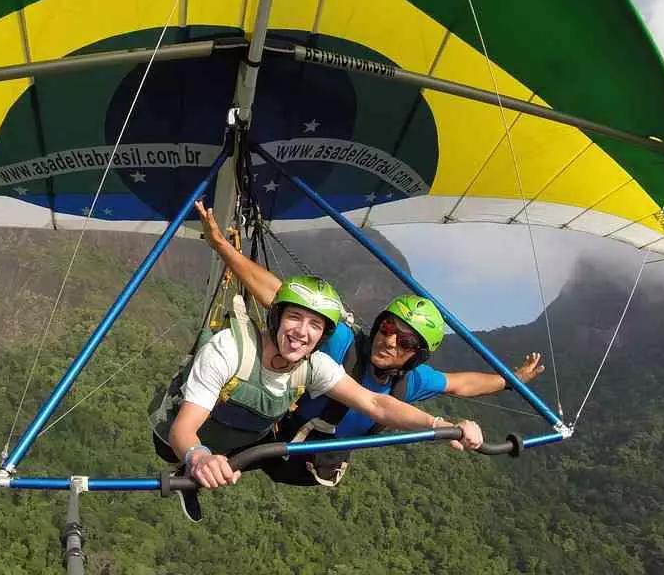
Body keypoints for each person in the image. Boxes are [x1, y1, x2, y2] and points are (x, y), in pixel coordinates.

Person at [195, 201, 544, 487]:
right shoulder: (344, 345)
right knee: (212, 463)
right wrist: (223, 247)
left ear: (417, 354)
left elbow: (462, 384)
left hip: (312, 469)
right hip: (271, 442)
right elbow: (282, 296)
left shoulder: (414, 380)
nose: (389, 340)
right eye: (388, 327)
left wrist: (512, 380)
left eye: (405, 340)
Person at [149, 272, 484, 492]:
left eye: (315, 325)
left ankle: (206, 470)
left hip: (244, 442)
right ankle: (195, 470)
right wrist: (199, 458)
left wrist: (442, 424)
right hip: (180, 439)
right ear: (277, 317)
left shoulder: (315, 365)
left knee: (258, 449)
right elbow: (183, 430)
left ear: (324, 335)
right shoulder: (228, 349)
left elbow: (376, 403)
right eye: (294, 317)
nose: (301, 332)